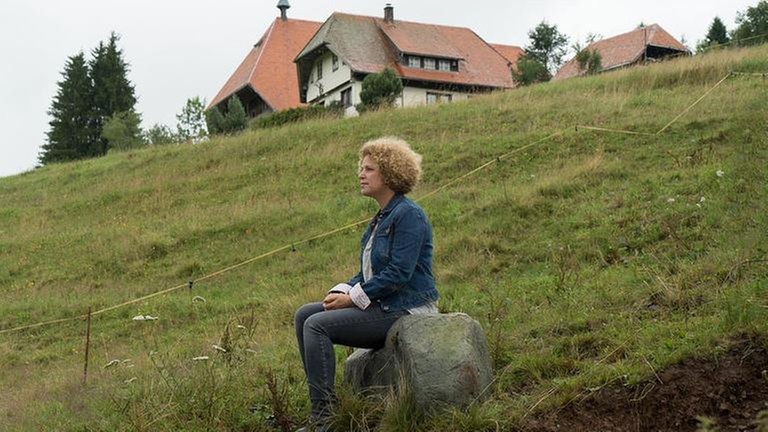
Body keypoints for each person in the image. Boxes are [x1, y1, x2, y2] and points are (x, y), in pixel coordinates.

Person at [293, 137, 439, 431]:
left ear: (389, 174)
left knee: (317, 325)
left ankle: (324, 419)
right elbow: (369, 273)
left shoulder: (409, 215)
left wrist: (353, 299)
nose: (361, 174)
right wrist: (343, 289)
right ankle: (323, 409)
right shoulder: (381, 219)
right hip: (385, 303)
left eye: (369, 169)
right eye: (362, 168)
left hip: (407, 309)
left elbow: (399, 274)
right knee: (304, 315)